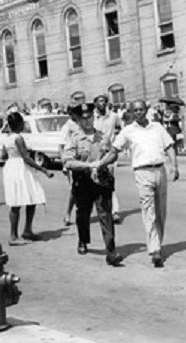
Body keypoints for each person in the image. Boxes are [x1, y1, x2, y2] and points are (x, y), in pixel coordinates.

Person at [95, 100, 179, 268]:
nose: (139, 113)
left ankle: (157, 244)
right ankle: (154, 250)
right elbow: (114, 151)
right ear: (131, 113)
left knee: (161, 211)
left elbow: (169, 146)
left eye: (141, 109)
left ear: (146, 110)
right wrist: (101, 164)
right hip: (142, 172)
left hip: (160, 170)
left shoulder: (157, 127)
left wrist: (174, 166)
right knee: (148, 210)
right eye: (135, 110)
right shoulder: (128, 131)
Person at [62, 103, 123, 266]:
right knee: (83, 214)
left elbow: (113, 153)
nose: (88, 121)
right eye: (84, 118)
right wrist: (88, 165)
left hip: (101, 181)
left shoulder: (102, 136)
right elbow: (67, 162)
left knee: (106, 215)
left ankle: (111, 251)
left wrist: (103, 163)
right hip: (82, 181)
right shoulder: (74, 138)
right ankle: (83, 240)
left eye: (90, 117)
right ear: (78, 120)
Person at [2, 111, 54, 245]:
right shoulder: (18, 138)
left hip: (11, 167)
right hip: (20, 168)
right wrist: (43, 169)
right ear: (19, 124)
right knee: (17, 202)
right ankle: (13, 236)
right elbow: (25, 157)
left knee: (30, 199)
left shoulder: (7, 138)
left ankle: (27, 230)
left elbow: (3, 155)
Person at [94, 94, 122, 224]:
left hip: (109, 153)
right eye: (100, 101)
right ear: (95, 104)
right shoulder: (92, 118)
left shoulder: (113, 116)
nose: (102, 103)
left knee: (110, 181)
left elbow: (120, 128)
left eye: (104, 101)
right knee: (95, 181)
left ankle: (115, 211)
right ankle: (101, 209)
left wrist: (115, 139)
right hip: (95, 153)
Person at [59, 92, 86, 226]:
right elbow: (62, 146)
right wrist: (64, 164)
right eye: (75, 112)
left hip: (85, 158)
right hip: (72, 159)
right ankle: (68, 213)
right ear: (70, 113)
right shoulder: (67, 126)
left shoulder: (82, 123)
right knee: (74, 189)